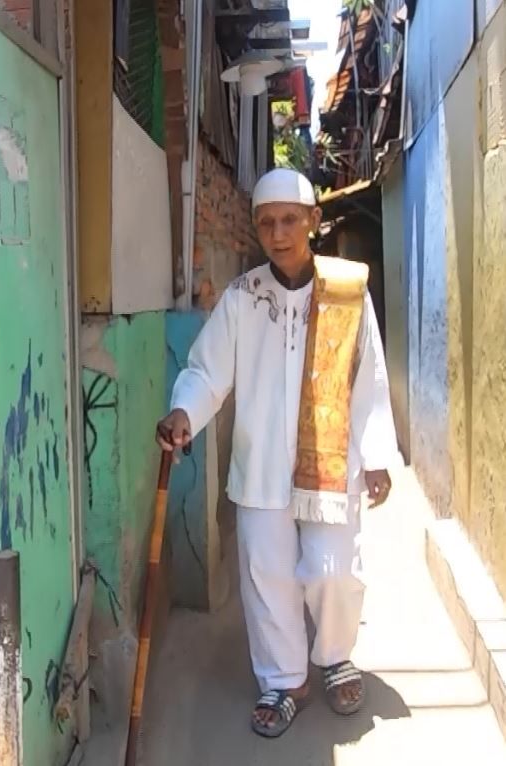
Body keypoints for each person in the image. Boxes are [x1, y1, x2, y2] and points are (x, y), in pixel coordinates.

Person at [156, 169, 398, 738]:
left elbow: (369, 377)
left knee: (335, 571)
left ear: (313, 220)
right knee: (267, 578)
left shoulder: (347, 293)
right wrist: (184, 412)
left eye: (290, 219)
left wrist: (377, 455)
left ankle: (334, 656)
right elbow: (208, 370)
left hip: (331, 465)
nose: (279, 232)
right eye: (266, 223)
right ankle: (284, 680)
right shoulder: (243, 298)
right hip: (261, 465)